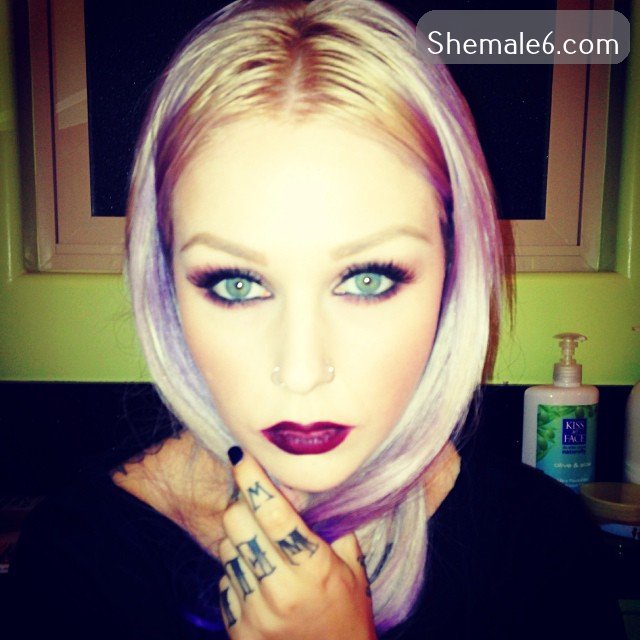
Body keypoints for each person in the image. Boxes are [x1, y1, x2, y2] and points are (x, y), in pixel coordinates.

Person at [9, 1, 626, 639]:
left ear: (454, 270)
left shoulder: (541, 551)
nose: (302, 373)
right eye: (238, 284)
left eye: (367, 279)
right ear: (165, 282)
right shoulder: (78, 564)